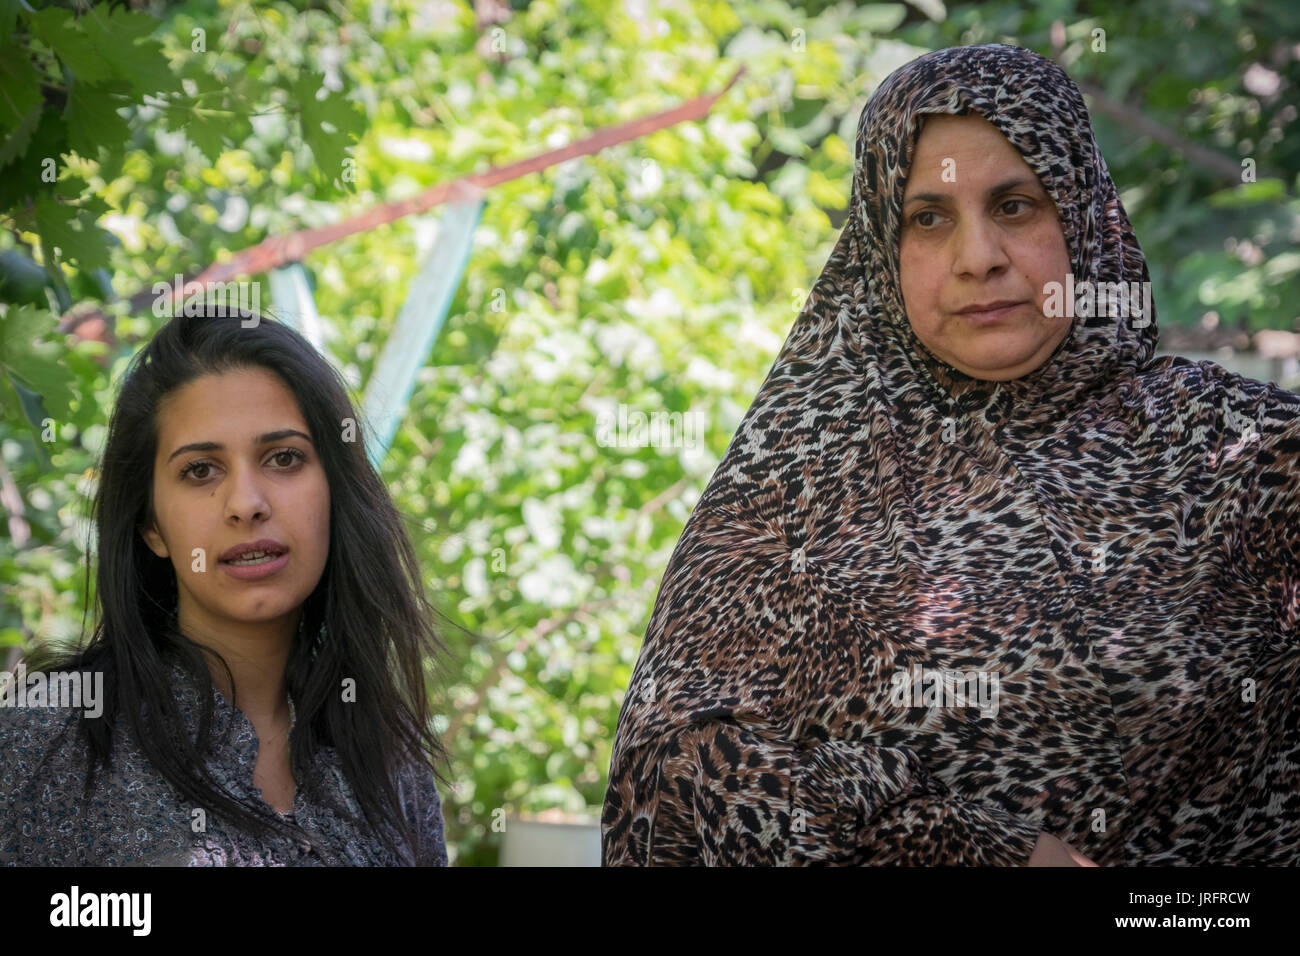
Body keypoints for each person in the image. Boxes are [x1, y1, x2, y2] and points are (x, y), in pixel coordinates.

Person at [601, 43, 1300, 866]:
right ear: (880, 248)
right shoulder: (794, 476)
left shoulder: (1239, 453)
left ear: (1079, 214)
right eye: (927, 218)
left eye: (1015, 206)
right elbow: (667, 783)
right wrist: (975, 850)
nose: (979, 258)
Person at [0, 307, 452, 865]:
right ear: (151, 526)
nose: (246, 504)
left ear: (334, 490)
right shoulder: (44, 740)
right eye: (200, 471)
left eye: (284, 458)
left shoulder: (387, 753)